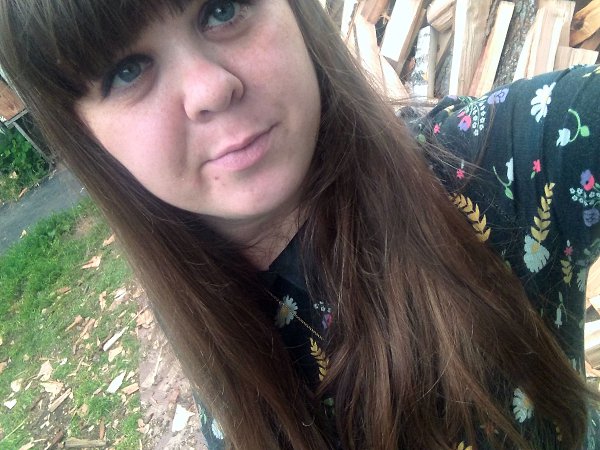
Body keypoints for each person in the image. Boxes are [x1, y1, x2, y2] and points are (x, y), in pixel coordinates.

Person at [0, 0, 599, 448]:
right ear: (88, 138)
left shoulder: (509, 162)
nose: (211, 89)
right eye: (128, 70)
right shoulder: (202, 308)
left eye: (222, 9)